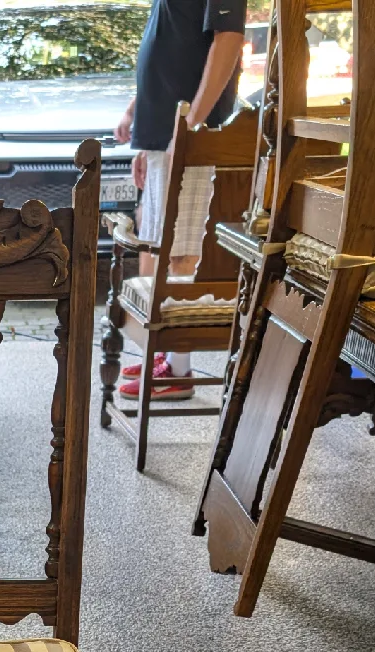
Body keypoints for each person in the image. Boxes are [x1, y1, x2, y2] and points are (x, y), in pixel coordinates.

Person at [114, 0, 247, 399]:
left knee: (182, 251)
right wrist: (141, 121)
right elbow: (171, 49)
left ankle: (178, 370)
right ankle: (169, 357)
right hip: (166, 134)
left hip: (192, 136)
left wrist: (190, 128)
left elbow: (229, 38)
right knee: (163, 244)